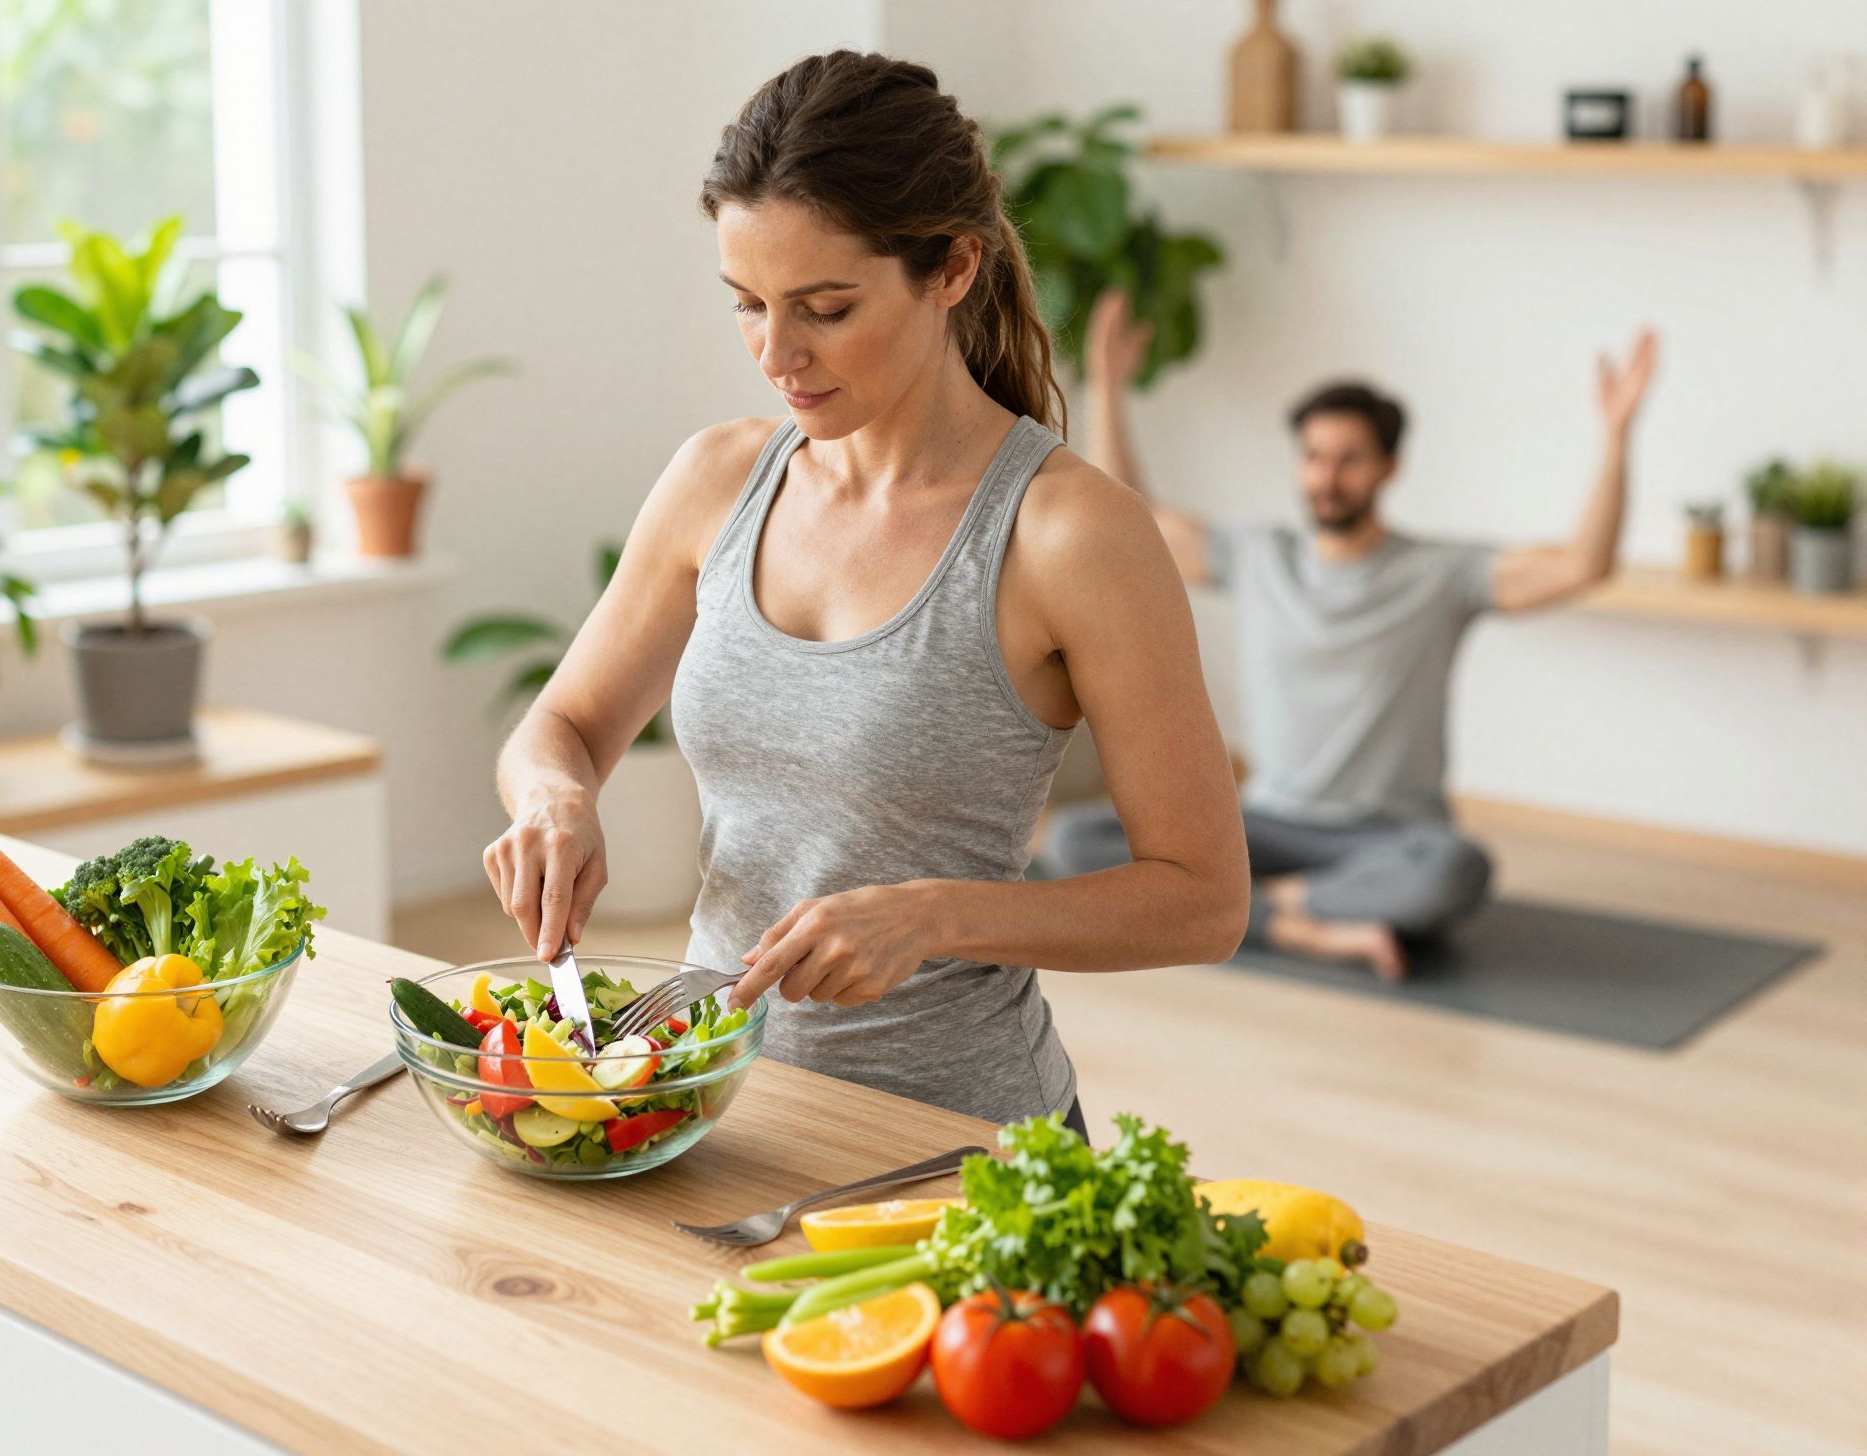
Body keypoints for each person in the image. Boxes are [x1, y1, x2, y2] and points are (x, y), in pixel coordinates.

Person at [480, 53, 1249, 1129]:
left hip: (955, 1138)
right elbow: (559, 724)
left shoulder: (1066, 533)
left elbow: (1202, 899)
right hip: (713, 1101)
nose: (775, 354)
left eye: (824, 308)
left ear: (951, 269)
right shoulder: (717, 480)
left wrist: (933, 915)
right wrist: (556, 798)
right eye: (745, 304)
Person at [1043, 290, 1658, 981]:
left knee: (1457, 869)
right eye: (1314, 457)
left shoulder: (1440, 575)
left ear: (1389, 468)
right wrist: (1108, 387)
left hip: (1387, 839)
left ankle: (1248, 911)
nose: (1326, 478)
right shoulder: (1258, 556)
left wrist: (1616, 439)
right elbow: (1132, 520)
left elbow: (1583, 565)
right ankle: (1312, 925)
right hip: (1264, 825)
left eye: (1349, 460)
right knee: (1074, 839)